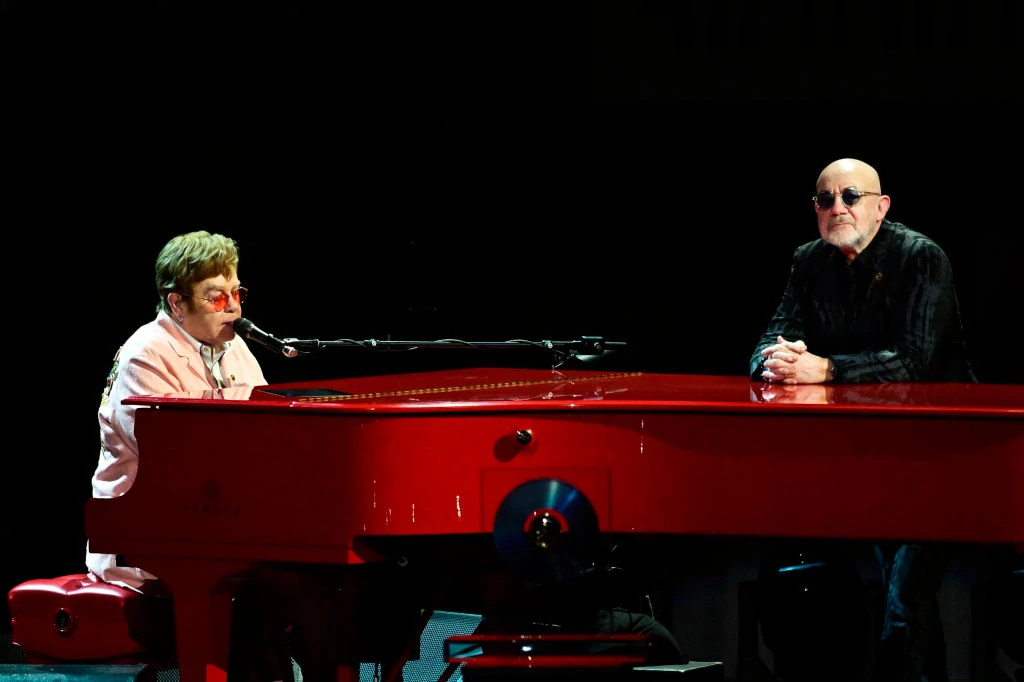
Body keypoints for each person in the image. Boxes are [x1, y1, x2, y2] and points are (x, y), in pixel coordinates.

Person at [749, 158, 976, 682]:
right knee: (880, 600)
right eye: (824, 200)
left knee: (905, 601)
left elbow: (913, 364)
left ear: (881, 207)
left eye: (850, 196)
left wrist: (825, 369)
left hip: (936, 451)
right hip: (867, 452)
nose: (837, 208)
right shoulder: (809, 261)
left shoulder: (920, 258)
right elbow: (769, 338)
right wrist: (773, 361)